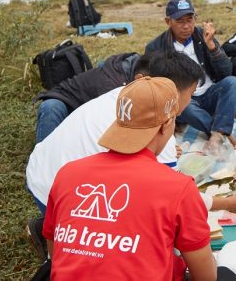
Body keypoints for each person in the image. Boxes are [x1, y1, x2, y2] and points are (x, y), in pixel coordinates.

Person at [26, 52, 236, 262]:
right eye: (189, 94)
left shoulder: (123, 96)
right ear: (171, 95)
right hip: (62, 197)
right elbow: (174, 201)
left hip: (41, 174)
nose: (189, 102)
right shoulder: (162, 127)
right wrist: (229, 203)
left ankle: (49, 227)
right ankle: (60, 233)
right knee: (149, 234)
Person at [42, 76, 220, 280]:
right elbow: (206, 276)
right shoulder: (177, 188)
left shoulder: (68, 173)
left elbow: (55, 251)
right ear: (167, 125)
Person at [145, 0, 236, 149]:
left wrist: (212, 47)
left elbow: (226, 72)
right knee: (183, 105)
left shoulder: (203, 35)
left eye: (190, 20)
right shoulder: (156, 47)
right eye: (180, 21)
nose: (186, 26)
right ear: (168, 21)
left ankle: (217, 133)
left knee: (233, 82)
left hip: (210, 94)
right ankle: (222, 131)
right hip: (184, 101)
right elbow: (156, 89)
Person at [34, 52, 140, 143]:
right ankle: (42, 157)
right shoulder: (112, 83)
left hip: (86, 113)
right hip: (69, 102)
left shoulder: (130, 73)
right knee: (51, 107)